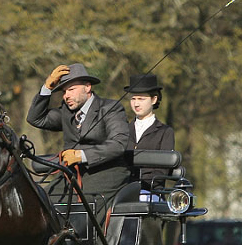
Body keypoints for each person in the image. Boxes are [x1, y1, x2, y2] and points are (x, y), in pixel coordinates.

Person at [26, 63, 130, 216]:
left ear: (87, 87)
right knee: (41, 202)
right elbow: (35, 119)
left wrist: (81, 156)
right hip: (72, 175)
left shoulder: (111, 108)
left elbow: (118, 145)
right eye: (63, 91)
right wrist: (47, 87)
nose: (66, 95)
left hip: (106, 173)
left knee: (81, 211)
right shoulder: (66, 112)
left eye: (71, 89)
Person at [124, 73, 174, 187]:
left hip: (151, 192)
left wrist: (141, 186)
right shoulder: (123, 129)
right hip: (122, 191)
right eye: (133, 99)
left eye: (141, 99)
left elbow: (162, 171)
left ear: (154, 99)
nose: (136, 104)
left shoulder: (165, 132)